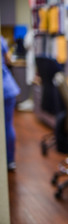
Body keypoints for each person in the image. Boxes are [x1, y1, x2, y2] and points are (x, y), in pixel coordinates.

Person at [1, 36, 20, 170]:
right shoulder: (1, 39)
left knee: (7, 126)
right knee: (8, 126)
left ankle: (8, 160)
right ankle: (10, 161)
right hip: (7, 87)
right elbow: (8, 59)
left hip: (5, 89)